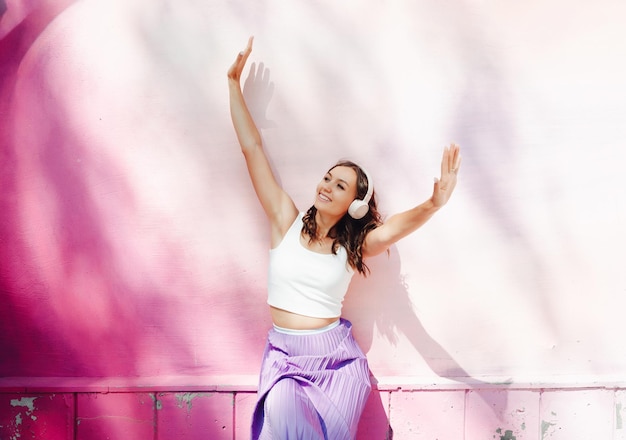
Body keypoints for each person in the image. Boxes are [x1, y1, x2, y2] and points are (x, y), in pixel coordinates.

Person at [227, 37, 461, 440]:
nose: (326, 187)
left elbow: (396, 227)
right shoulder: (285, 219)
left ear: (354, 204)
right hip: (285, 358)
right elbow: (252, 149)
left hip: (335, 364)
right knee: (282, 412)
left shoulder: (351, 249)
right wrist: (233, 84)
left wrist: (433, 203)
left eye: (340, 186)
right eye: (327, 178)